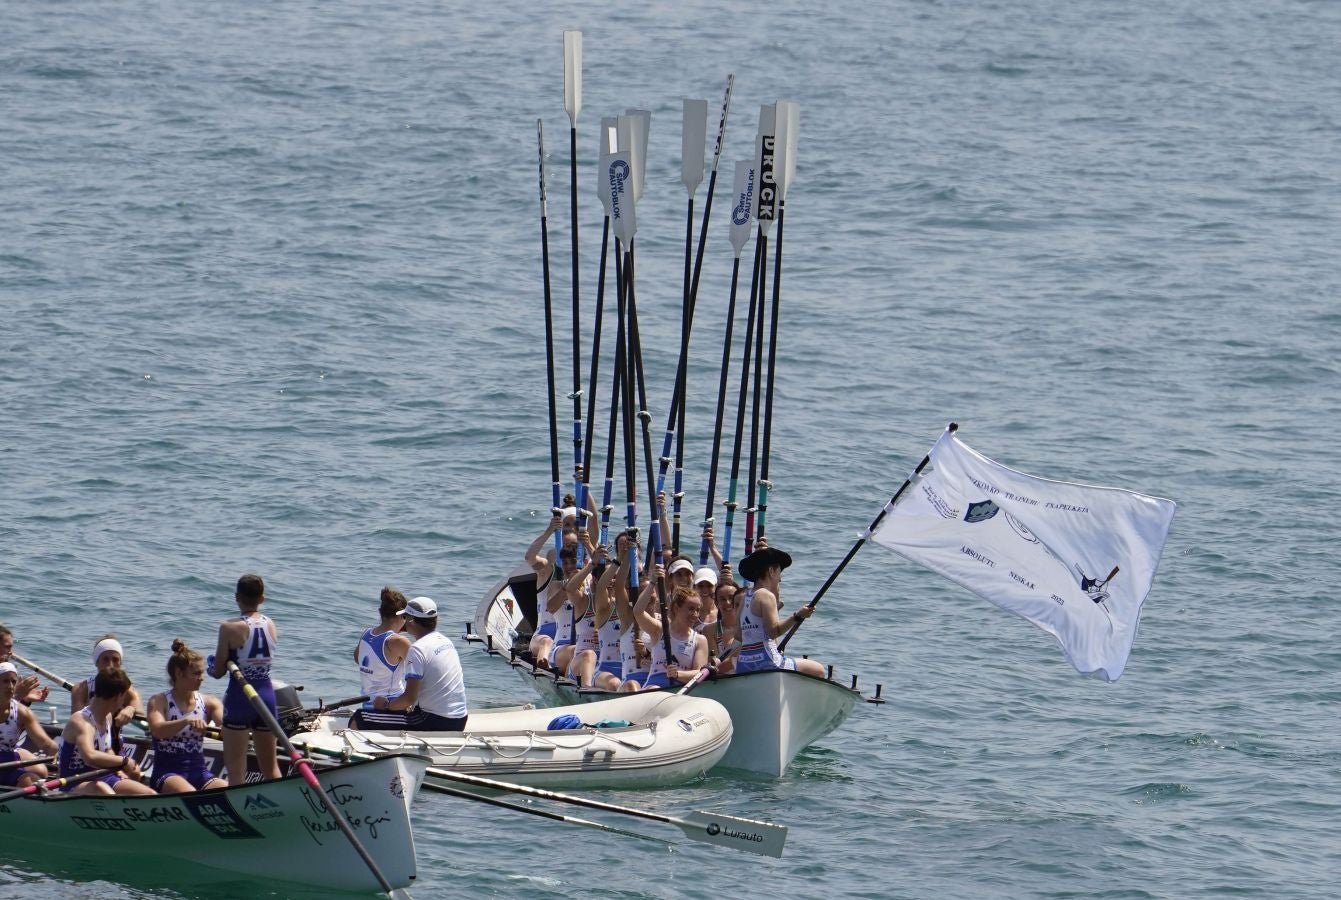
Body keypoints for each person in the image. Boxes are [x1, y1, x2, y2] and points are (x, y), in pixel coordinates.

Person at [210, 573, 281, 785]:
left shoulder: (228, 627)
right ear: (262, 599)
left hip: (239, 698)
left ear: (236, 597)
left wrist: (212, 665)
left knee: (236, 772)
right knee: (271, 769)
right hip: (266, 698)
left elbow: (219, 672)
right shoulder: (271, 624)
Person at [370, 597, 469, 731]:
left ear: (411, 621)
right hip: (461, 719)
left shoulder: (417, 649)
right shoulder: (445, 641)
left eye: (405, 617)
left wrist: (386, 705)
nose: (403, 621)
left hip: (435, 721)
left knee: (362, 717)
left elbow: (409, 698)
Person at [146, 640, 227, 793]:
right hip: (166, 773)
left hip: (199, 771)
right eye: (196, 673)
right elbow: (157, 730)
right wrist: (186, 721)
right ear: (178, 673)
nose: (202, 677)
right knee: (189, 794)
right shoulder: (159, 701)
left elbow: (225, 725)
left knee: (225, 790)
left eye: (202, 672)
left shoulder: (210, 703)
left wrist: (227, 729)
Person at [58, 667, 154, 795]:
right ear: (118, 696)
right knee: (102, 789)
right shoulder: (81, 722)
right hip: (75, 781)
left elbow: (107, 749)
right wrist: (124, 761)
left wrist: (118, 769)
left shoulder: (108, 717)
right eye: (124, 697)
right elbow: (90, 757)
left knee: (149, 794)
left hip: (102, 776)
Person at [735, 545, 825, 677]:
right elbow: (774, 632)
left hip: (743, 663)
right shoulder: (766, 595)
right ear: (771, 571)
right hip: (767, 661)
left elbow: (738, 635)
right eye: (779, 572)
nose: (780, 578)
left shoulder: (744, 598)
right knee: (818, 670)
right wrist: (797, 616)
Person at [349, 587, 413, 730]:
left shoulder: (366, 634)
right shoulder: (398, 641)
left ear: (380, 613)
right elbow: (421, 669)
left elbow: (357, 659)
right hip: (389, 708)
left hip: (367, 705)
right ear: (403, 616)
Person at [69, 635, 142, 746]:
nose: (110, 665)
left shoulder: (126, 689)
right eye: (105, 659)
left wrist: (130, 709)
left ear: (120, 663)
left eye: (115, 659)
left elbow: (139, 709)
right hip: (86, 742)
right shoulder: (81, 689)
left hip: (113, 743)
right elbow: (77, 724)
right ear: (97, 662)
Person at [0, 661, 58, 789]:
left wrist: (56, 751)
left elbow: (46, 743)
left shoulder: (23, 712)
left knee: (38, 776)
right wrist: (17, 695)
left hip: (8, 761)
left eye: (13, 682)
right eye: (5, 681)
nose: (10, 686)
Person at [639, 586, 709, 690]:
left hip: (681, 690)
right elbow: (637, 611)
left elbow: (699, 673)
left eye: (697, 610)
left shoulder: (700, 640)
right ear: (676, 608)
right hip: (653, 688)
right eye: (691, 609)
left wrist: (677, 674)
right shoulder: (659, 630)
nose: (695, 615)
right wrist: (653, 582)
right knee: (654, 688)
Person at [0, 625, 49, 704]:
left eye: (11, 647)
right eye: (7, 647)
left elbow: (9, 713)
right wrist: (17, 695)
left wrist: (25, 699)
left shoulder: (6, 671)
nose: (10, 652)